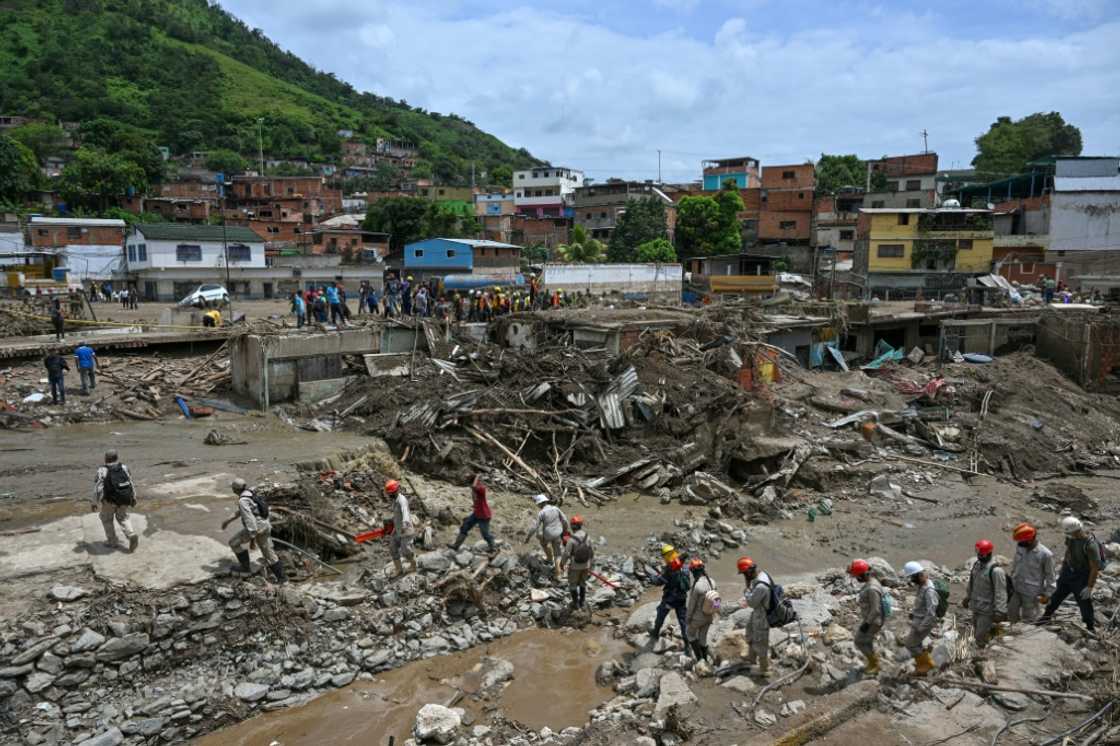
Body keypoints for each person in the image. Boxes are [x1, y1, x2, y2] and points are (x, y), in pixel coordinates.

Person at [1040, 516, 1100, 631]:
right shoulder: (1071, 539)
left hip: (1081, 576)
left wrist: (1089, 586)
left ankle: (1090, 627)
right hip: (1068, 572)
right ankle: (1046, 617)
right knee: (1056, 595)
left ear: (1075, 530)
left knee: (1084, 602)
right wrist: (1063, 570)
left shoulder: (1090, 545)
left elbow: (1094, 567)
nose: (1068, 535)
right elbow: (1068, 553)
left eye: (1070, 532)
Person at [221, 478, 285, 583]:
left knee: (233, 543)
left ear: (235, 489)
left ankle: (245, 568)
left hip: (257, 528)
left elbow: (249, 519)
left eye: (232, 488)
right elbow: (240, 512)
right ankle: (283, 579)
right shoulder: (250, 493)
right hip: (265, 525)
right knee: (268, 553)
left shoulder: (242, 501)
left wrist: (252, 537)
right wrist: (227, 521)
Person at [1008, 523, 1056, 624]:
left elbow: (1050, 577)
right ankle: (1013, 633)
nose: (1019, 543)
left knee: (1029, 619)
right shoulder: (1021, 547)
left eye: (1022, 541)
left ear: (1030, 539)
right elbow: (1016, 564)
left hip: (1031, 593)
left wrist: (1047, 595)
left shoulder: (1045, 555)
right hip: (1016, 587)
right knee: (1011, 613)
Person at [964, 539, 1007, 648]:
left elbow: (1000, 592)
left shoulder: (996, 571)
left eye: (982, 554)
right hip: (976, 606)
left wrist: (1000, 611)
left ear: (989, 553)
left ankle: (982, 654)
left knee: (980, 636)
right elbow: (972, 583)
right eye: (978, 554)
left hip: (987, 610)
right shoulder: (977, 566)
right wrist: (968, 597)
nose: (979, 556)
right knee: (976, 631)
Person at [93, 449, 138, 552]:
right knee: (123, 517)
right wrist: (134, 497)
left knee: (106, 519)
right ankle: (131, 534)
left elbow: (97, 487)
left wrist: (94, 502)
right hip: (124, 498)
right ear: (117, 458)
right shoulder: (124, 467)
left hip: (109, 501)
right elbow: (130, 483)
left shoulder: (102, 470)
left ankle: (112, 542)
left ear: (106, 458)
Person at [902, 561, 940, 676]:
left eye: (912, 578)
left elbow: (931, 612)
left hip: (923, 623)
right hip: (918, 619)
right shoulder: (922, 586)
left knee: (910, 645)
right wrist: (914, 613)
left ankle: (925, 666)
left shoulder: (929, 590)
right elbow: (922, 605)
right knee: (916, 644)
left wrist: (922, 627)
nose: (912, 581)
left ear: (919, 575)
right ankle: (927, 664)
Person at [738, 556, 773, 677]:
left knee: (761, 641)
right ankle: (751, 656)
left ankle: (764, 669)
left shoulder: (761, 586)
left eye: (744, 574)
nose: (744, 576)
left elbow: (752, 603)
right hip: (758, 613)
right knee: (750, 631)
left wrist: (747, 590)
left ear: (748, 571)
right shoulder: (761, 575)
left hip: (762, 616)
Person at [849, 558, 885, 675]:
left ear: (863, 574)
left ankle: (875, 664)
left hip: (873, 621)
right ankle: (873, 662)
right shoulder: (872, 581)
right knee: (867, 641)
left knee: (859, 641)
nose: (857, 578)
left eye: (858, 576)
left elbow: (875, 609)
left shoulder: (872, 588)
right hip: (872, 619)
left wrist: (866, 623)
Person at [649, 545, 690, 647]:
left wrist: (652, 578)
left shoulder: (669, 568)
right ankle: (687, 644)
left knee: (661, 614)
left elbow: (659, 582)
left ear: (667, 555)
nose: (664, 558)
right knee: (683, 621)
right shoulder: (684, 567)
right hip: (682, 598)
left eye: (664, 556)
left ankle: (655, 633)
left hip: (670, 599)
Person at [449, 475, 497, 554]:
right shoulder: (474, 489)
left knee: (485, 534)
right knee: (464, 527)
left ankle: (493, 548)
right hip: (477, 513)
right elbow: (475, 497)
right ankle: (456, 546)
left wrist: (477, 476)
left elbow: (474, 486)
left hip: (484, 515)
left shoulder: (481, 488)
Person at [524, 493, 568, 578]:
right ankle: (558, 573)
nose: (538, 506)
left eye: (538, 504)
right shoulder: (556, 508)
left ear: (541, 503)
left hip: (548, 534)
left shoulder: (541, 513)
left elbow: (534, 527)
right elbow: (565, 520)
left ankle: (549, 559)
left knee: (542, 541)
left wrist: (528, 538)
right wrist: (565, 530)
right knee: (558, 554)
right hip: (558, 533)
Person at [685, 558, 717, 663]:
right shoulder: (712, 582)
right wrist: (714, 613)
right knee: (703, 640)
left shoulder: (697, 586)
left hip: (698, 618)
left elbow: (691, 606)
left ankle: (700, 660)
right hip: (709, 616)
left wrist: (688, 618)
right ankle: (708, 660)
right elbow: (716, 600)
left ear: (693, 571)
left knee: (690, 635)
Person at [561, 515, 594, 611]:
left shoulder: (571, 540)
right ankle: (582, 602)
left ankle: (576, 604)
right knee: (583, 584)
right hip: (586, 565)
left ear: (572, 526)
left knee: (573, 585)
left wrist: (562, 564)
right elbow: (591, 552)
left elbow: (566, 554)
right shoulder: (587, 537)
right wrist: (590, 565)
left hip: (575, 567)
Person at [385, 479, 417, 577]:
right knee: (392, 547)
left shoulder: (402, 500)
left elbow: (405, 513)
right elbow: (396, 515)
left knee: (406, 550)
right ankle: (398, 569)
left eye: (391, 493)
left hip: (406, 529)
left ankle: (413, 565)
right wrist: (393, 526)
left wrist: (404, 525)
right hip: (397, 529)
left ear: (396, 491)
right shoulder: (394, 500)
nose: (390, 495)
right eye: (389, 493)